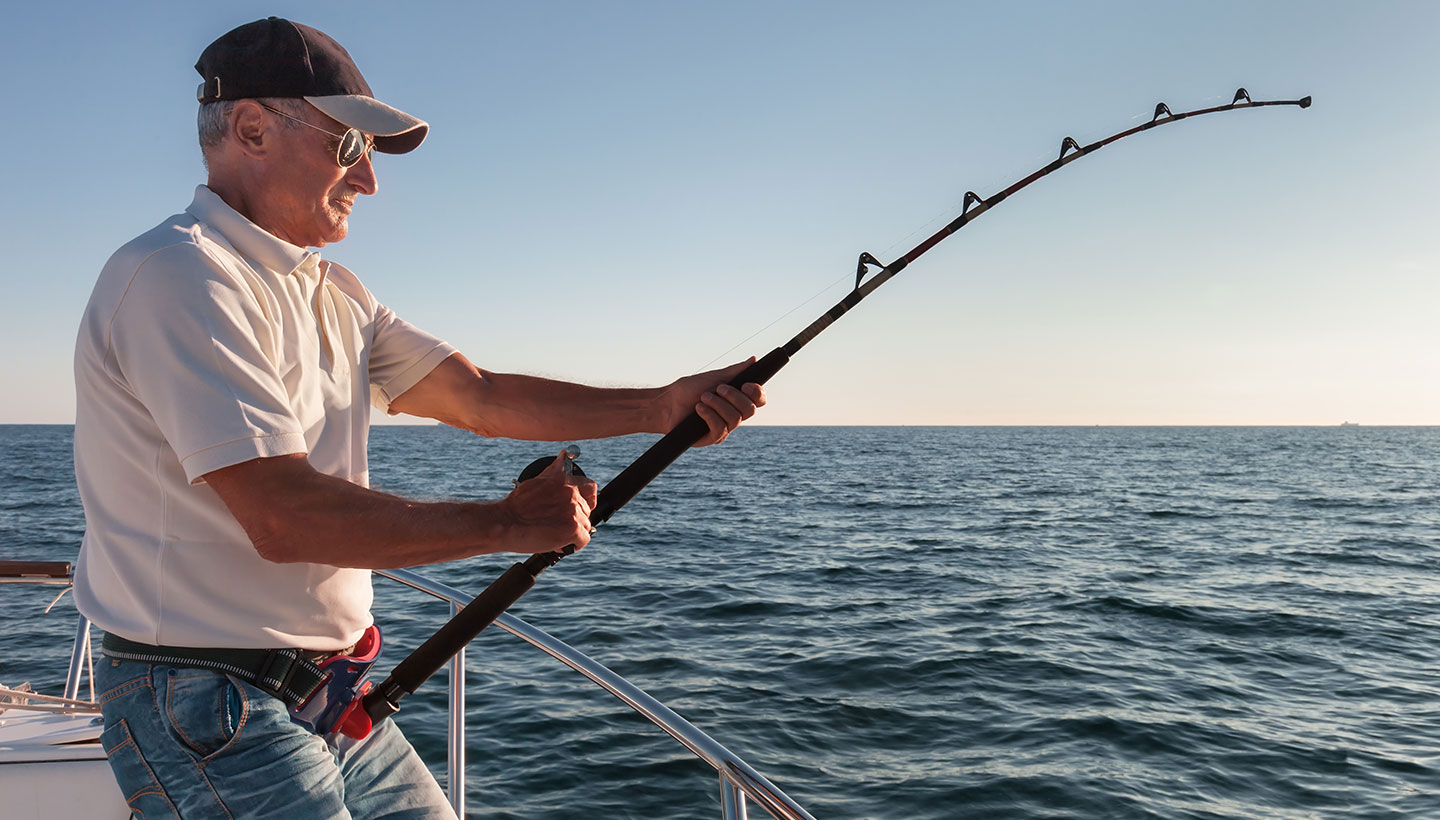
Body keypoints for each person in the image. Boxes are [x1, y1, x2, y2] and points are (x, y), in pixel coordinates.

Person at [72, 17, 765, 820]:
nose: (369, 181)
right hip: (204, 700)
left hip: (329, 694)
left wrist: (662, 406)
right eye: (349, 146)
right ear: (252, 129)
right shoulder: (180, 274)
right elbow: (283, 517)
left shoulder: (334, 291)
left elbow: (479, 395)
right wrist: (509, 523)